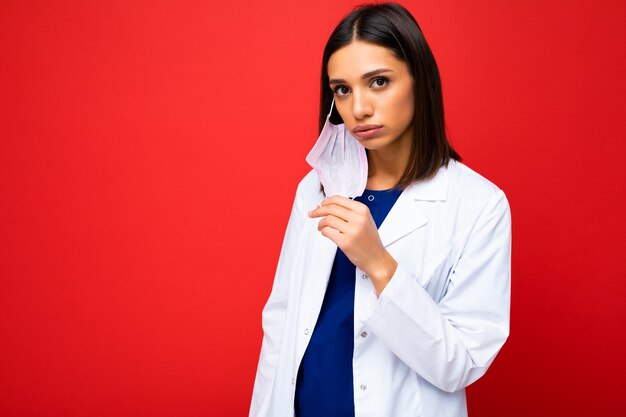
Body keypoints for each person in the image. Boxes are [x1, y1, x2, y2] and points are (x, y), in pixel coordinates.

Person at [249, 2, 512, 417]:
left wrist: (379, 263)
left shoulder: (479, 204)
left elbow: (459, 363)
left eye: (379, 82)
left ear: (418, 80)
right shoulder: (316, 187)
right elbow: (281, 325)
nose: (359, 109)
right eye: (343, 89)